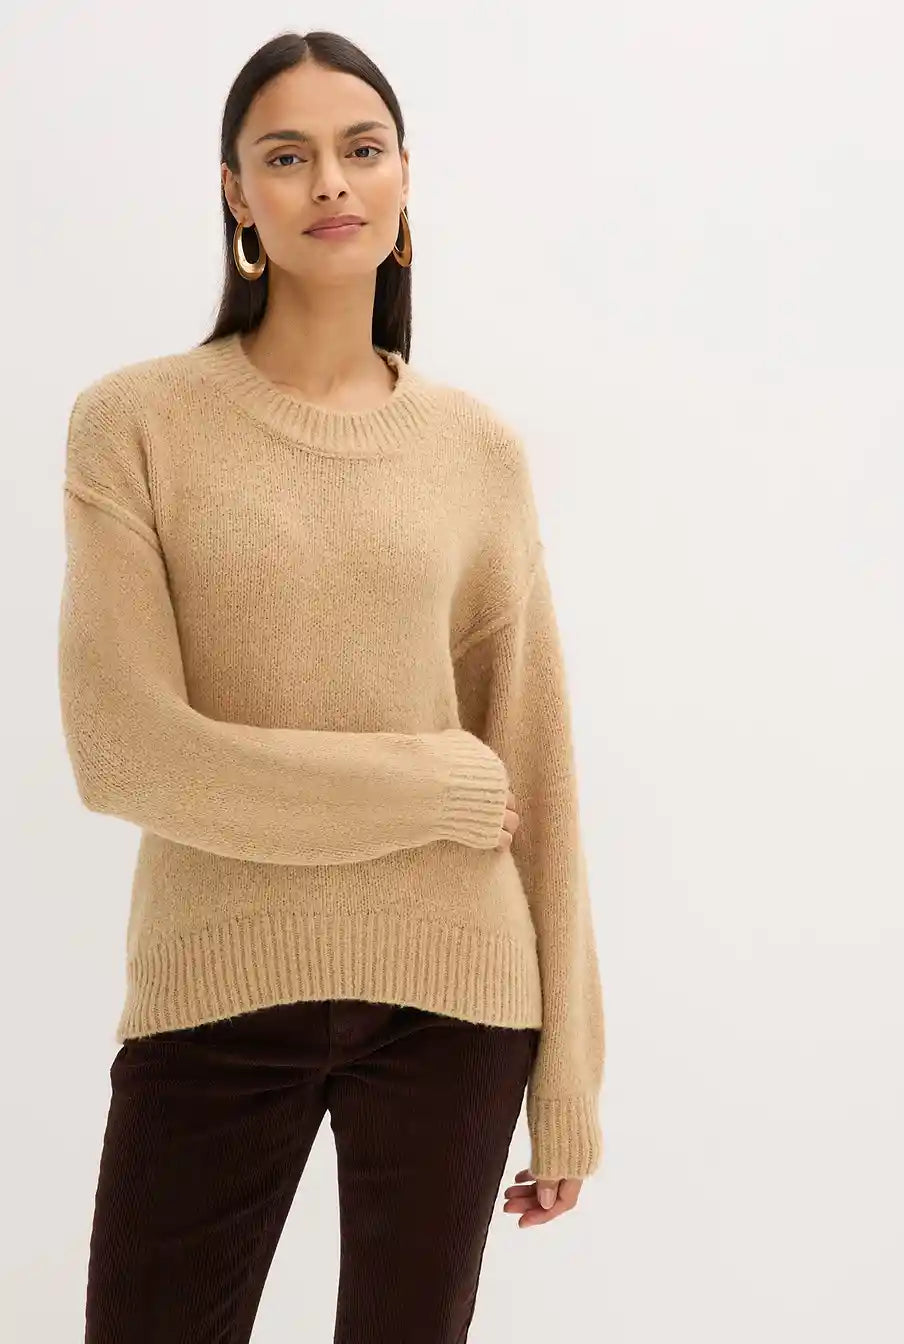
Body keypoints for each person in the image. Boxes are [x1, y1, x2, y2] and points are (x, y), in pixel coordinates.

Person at [58, 28, 605, 1343]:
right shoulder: (135, 424)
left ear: (406, 176)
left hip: (458, 999)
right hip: (212, 984)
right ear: (236, 194)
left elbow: (535, 758)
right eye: (287, 156)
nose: (330, 183)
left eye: (361, 150)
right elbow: (123, 753)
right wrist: (420, 785)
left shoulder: (475, 450)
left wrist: (570, 1076)